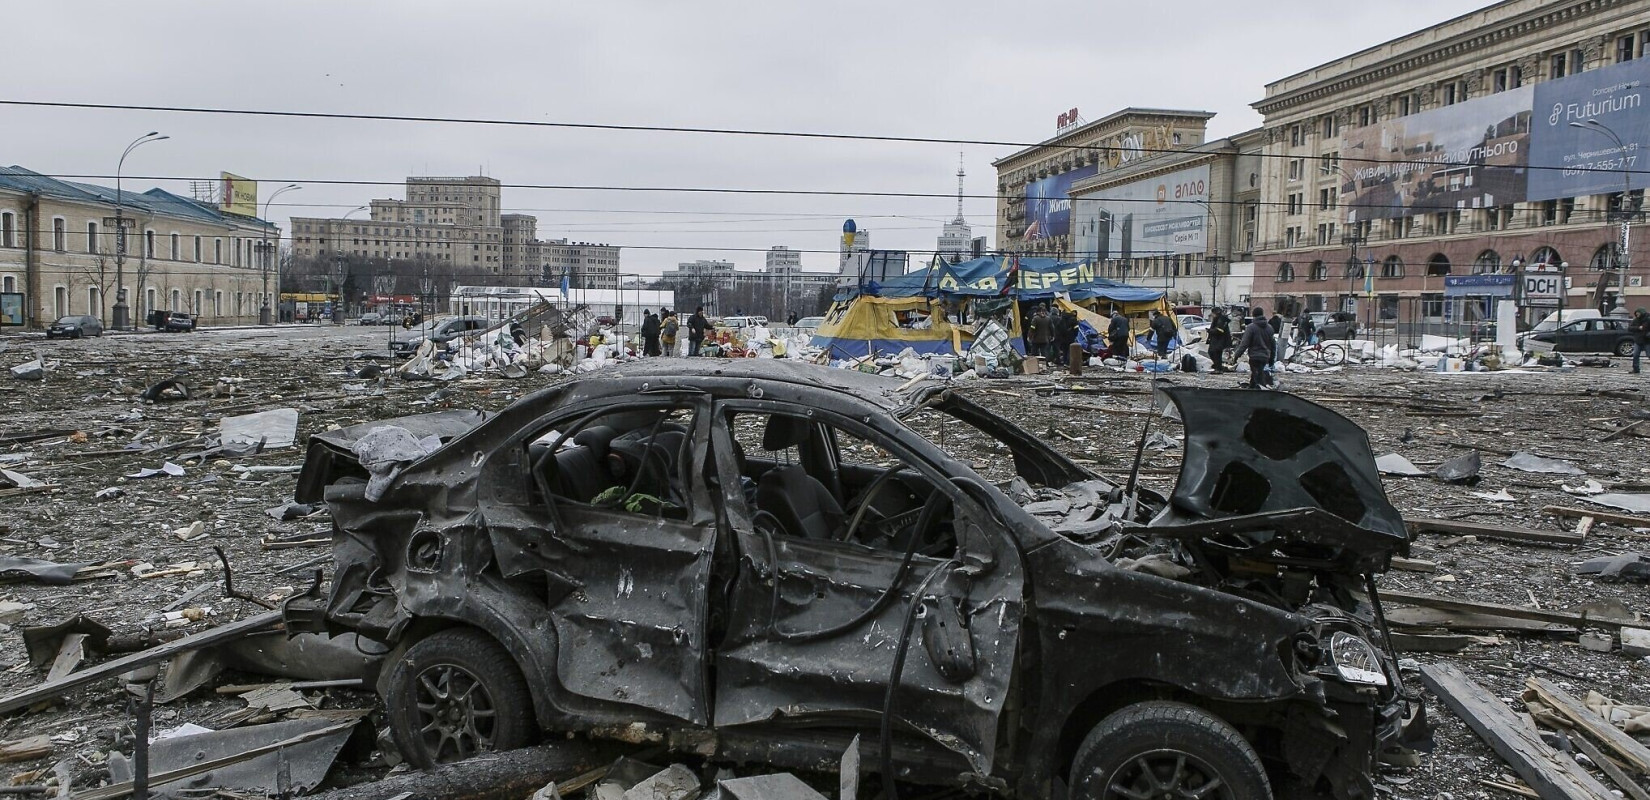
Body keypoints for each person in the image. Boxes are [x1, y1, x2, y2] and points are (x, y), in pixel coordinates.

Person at [1232, 308, 1276, 389]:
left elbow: (1244, 344)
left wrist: (1236, 355)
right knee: (1257, 373)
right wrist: (1272, 359)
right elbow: (1273, 345)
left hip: (1254, 356)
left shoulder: (1251, 327)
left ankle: (1259, 390)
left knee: (1257, 375)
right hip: (1265, 356)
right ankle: (1253, 388)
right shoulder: (1270, 328)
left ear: (1253, 315)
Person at [1206, 308, 1232, 373]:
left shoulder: (1221, 320)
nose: (1211, 315)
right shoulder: (1218, 319)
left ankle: (1218, 368)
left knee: (1214, 353)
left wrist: (1210, 331)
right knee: (1215, 353)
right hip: (1217, 339)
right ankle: (1218, 367)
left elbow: (1219, 330)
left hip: (1219, 340)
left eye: (1212, 313)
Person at [1631, 307, 1650, 374]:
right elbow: (1630, 328)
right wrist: (1638, 328)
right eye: (1636, 313)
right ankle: (1636, 369)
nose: (1637, 315)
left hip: (1647, 340)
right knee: (1635, 355)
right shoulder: (1635, 320)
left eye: (1638, 313)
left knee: (1649, 355)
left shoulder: (1648, 319)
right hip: (1638, 340)